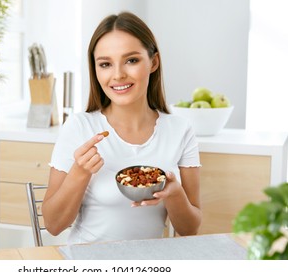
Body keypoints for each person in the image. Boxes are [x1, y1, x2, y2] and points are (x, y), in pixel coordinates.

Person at [42, 11, 202, 245]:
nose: (117, 75)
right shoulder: (79, 127)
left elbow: (189, 230)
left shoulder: (180, 130)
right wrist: (80, 172)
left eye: (131, 60)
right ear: (96, 71)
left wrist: (175, 194)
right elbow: (53, 225)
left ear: (153, 62)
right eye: (105, 64)